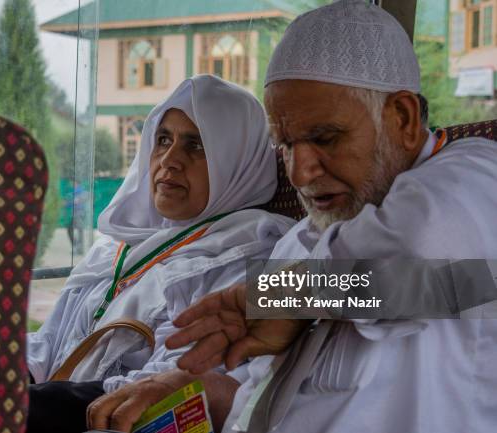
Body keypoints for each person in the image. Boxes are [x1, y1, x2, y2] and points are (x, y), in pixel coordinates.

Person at [89, 2, 497, 433]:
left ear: (403, 119)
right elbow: (260, 397)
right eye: (284, 145)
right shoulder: (299, 242)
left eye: (325, 138)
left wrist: (287, 297)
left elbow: (418, 256)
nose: (300, 173)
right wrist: (196, 388)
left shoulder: (476, 176)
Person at [26, 74, 295, 432]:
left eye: (196, 145)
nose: (169, 160)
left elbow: (162, 390)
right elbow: (48, 345)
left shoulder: (252, 254)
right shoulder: (118, 247)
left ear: (237, 161)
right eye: (163, 139)